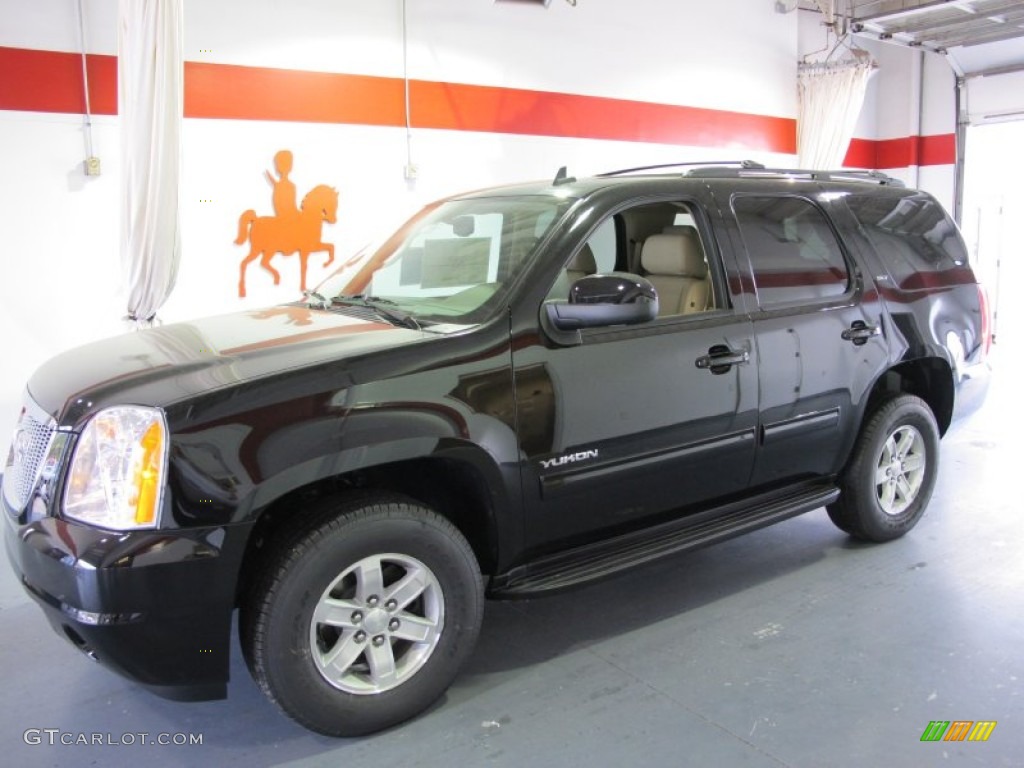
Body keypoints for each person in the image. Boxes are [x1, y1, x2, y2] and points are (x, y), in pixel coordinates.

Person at [265, 150, 299, 220]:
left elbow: (290, 205)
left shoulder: (288, 185)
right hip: (287, 216)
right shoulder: (290, 186)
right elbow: (288, 206)